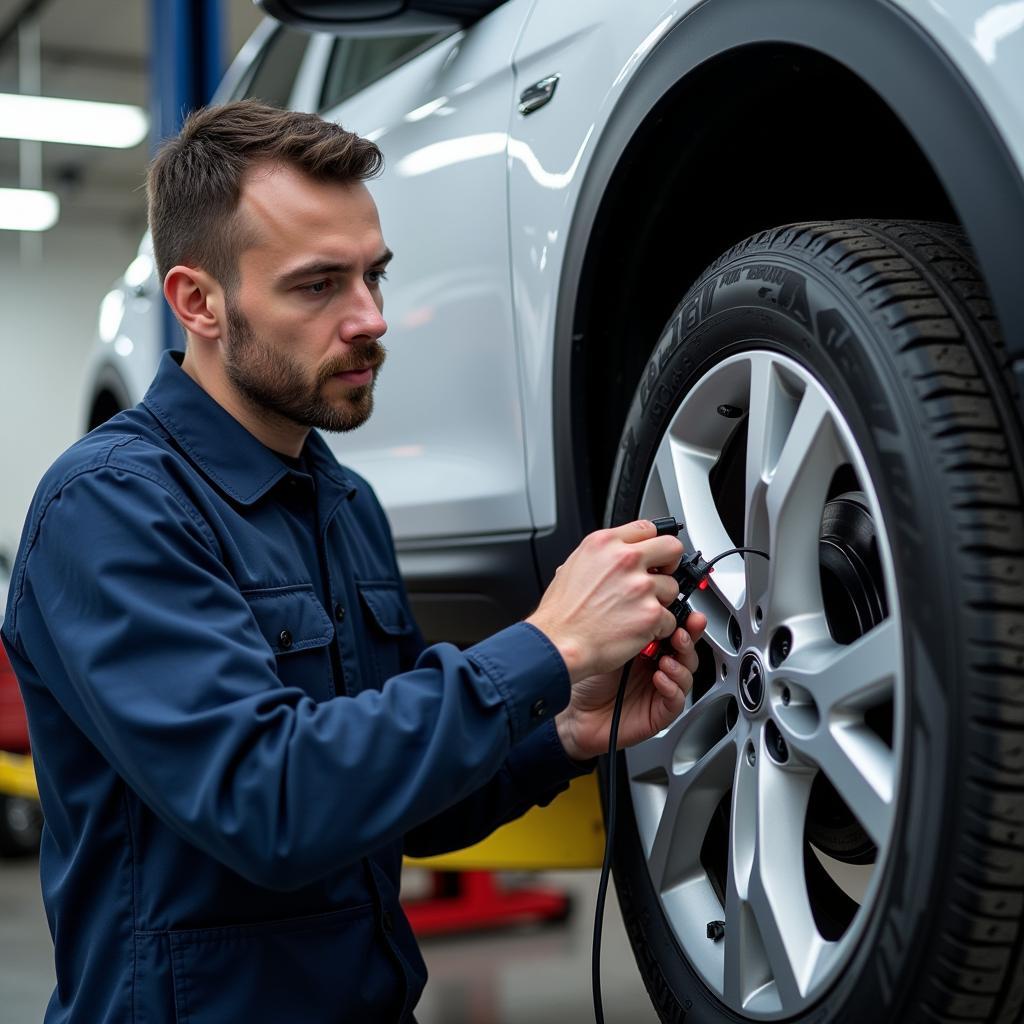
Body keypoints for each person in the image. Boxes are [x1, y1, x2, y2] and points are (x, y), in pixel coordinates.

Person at [0, 101, 706, 1024]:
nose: (371, 319)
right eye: (317, 285)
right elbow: (273, 802)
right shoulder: (110, 506)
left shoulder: (345, 505)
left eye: (374, 276)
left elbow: (394, 808)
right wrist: (548, 646)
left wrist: (564, 729)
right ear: (197, 302)